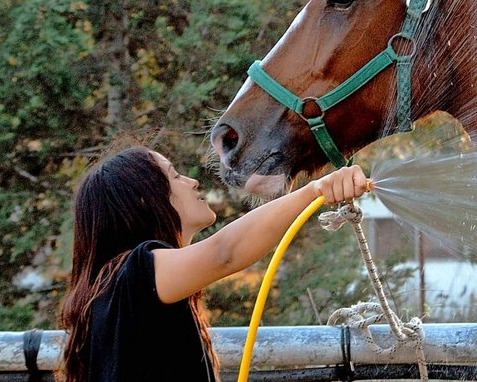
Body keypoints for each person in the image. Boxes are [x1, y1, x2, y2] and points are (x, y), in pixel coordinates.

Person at [57, 146, 368, 381]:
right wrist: (315, 190)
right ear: (143, 200)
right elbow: (225, 252)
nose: (191, 182)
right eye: (174, 176)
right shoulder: (136, 274)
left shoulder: (115, 289)